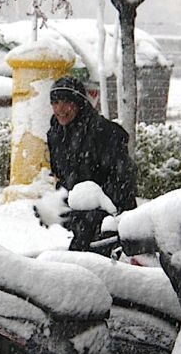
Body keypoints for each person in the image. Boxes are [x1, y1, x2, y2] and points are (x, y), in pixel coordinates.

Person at [46, 75, 138, 253]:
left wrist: (102, 208)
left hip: (110, 216)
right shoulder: (56, 135)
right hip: (81, 215)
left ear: (79, 103)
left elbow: (123, 176)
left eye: (66, 102)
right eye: (55, 103)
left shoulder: (103, 132)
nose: (60, 109)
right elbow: (62, 174)